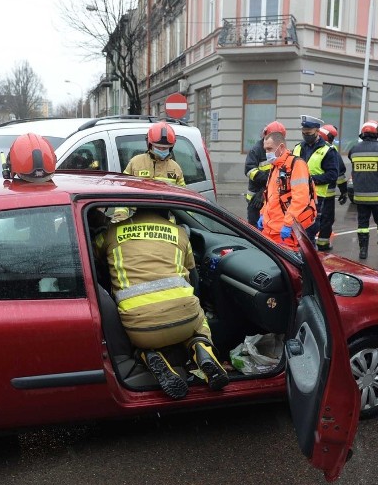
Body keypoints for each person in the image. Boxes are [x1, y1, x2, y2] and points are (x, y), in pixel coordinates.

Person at [101, 208, 228, 400]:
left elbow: (93, 252)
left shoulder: (111, 232)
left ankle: (148, 354)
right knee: (197, 317)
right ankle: (201, 346)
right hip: (185, 319)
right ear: (168, 212)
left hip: (141, 329)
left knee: (136, 333)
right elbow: (193, 277)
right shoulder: (180, 233)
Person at [256, 131, 316, 251]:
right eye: (265, 149)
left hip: (284, 231)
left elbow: (301, 199)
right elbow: (270, 195)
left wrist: (288, 224)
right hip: (270, 229)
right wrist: (263, 214)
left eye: (269, 149)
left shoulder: (295, 164)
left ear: (281, 147)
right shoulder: (276, 165)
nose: (267, 153)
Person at [349, 120, 378, 260]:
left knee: (362, 224)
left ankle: (362, 252)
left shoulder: (354, 150)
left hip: (360, 197)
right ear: (377, 134)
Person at [291, 115, 341, 251]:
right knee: (295, 230)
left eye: (309, 133)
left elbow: (332, 175)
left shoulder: (328, 151)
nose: (306, 135)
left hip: (316, 197)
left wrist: (311, 179)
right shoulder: (297, 148)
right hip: (296, 195)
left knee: (310, 232)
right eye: (303, 133)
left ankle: (310, 263)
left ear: (317, 132)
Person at [244, 121, 287, 225]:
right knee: (254, 229)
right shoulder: (257, 150)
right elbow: (249, 170)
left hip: (271, 197)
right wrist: (268, 178)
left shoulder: (281, 151)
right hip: (255, 198)